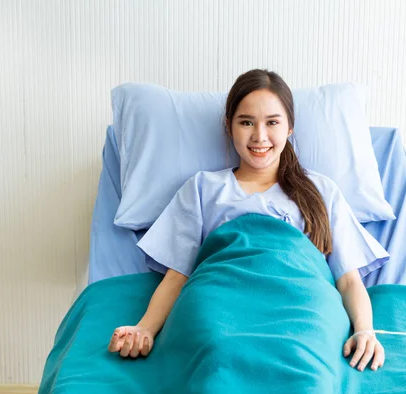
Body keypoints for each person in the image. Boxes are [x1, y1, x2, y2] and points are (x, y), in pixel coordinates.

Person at [107, 69, 387, 372]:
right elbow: (177, 276)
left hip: (302, 306)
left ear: (290, 127)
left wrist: (365, 330)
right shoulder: (203, 188)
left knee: (306, 364)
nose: (260, 136)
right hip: (221, 303)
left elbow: (348, 279)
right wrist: (145, 328)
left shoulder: (321, 191)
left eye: (272, 123)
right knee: (218, 356)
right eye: (246, 122)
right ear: (229, 127)